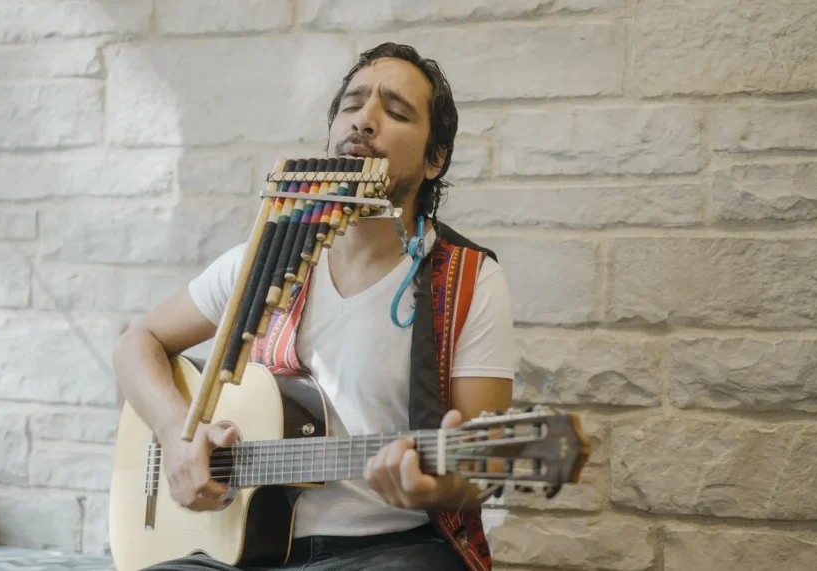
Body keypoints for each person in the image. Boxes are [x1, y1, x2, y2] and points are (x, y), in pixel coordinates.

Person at [112, 42, 516, 571]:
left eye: (394, 112)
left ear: (435, 159)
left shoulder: (468, 282)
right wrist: (175, 434)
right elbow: (135, 344)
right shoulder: (265, 260)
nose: (364, 121)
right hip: (242, 547)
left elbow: (480, 474)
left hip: (386, 552)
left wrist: (433, 486)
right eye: (351, 106)